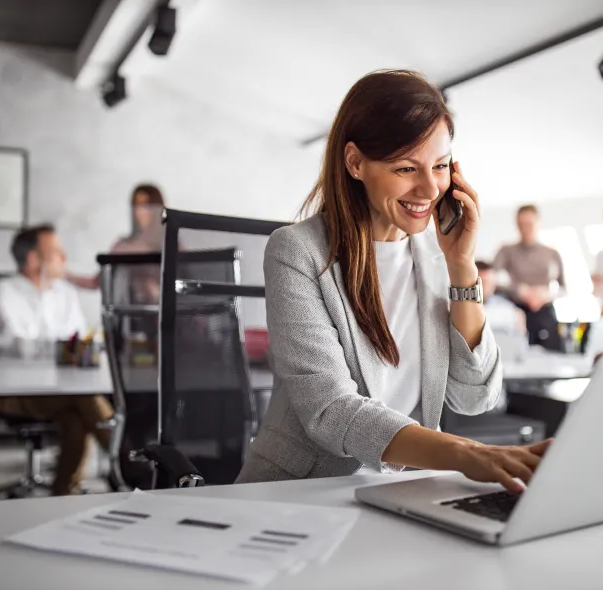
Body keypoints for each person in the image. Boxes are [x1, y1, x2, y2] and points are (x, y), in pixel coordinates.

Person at [235, 70, 550, 493]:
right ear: (355, 163)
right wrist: (466, 454)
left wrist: (461, 266)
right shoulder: (296, 251)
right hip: (305, 491)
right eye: (406, 168)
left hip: (406, 492)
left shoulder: (437, 256)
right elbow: (331, 411)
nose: (429, 188)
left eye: (440, 166)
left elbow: (476, 398)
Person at [0, 225, 114, 495]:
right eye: (56, 252)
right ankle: (129, 463)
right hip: (16, 393)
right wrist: (65, 349)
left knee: (77, 419)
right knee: (87, 399)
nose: (64, 258)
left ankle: (63, 493)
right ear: (33, 259)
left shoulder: (64, 294)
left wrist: (74, 349)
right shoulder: (4, 292)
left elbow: (77, 343)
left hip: (62, 390)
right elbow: (17, 345)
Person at [67, 183, 166, 294]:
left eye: (146, 205)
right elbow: (96, 282)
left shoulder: (171, 244)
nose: (139, 211)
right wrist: (64, 275)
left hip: (164, 309)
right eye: (135, 205)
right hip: (127, 310)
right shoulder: (123, 247)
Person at [493, 205, 566, 352]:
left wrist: (546, 295)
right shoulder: (507, 251)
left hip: (545, 312)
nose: (525, 229)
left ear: (539, 223)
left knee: (552, 355)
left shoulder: (552, 253)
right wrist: (519, 290)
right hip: (518, 312)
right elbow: (493, 280)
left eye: (529, 224)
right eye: (521, 224)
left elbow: (564, 289)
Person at [477, 260, 528, 365]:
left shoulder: (510, 310)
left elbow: (521, 347)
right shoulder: (454, 308)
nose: (488, 288)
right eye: (484, 283)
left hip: (507, 365)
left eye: (492, 283)